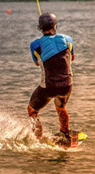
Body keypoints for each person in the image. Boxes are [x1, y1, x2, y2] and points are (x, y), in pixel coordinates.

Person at [27, 12, 75, 144]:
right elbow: (72, 57)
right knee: (60, 107)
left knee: (32, 109)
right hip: (67, 85)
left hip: (48, 87)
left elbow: (37, 63)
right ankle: (65, 134)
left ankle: (38, 138)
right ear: (55, 25)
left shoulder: (35, 45)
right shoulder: (68, 39)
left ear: (40, 28)